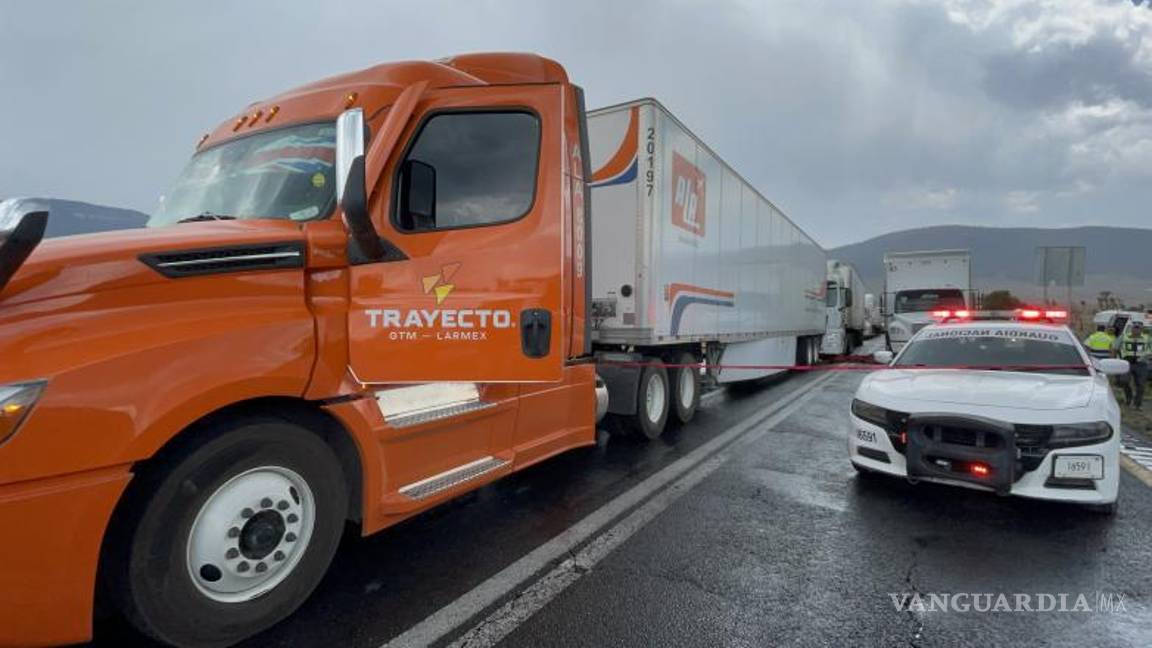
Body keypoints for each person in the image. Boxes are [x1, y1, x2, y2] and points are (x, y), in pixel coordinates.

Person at [1115, 320, 1151, 409]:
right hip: (1127, 362)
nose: (1136, 330)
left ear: (1141, 329)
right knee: (1124, 381)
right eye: (1135, 328)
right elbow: (1114, 347)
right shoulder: (1123, 337)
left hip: (1141, 364)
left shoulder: (1148, 338)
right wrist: (1115, 360)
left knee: (1141, 385)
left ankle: (1137, 404)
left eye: (1138, 328)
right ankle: (1129, 397)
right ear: (1131, 328)